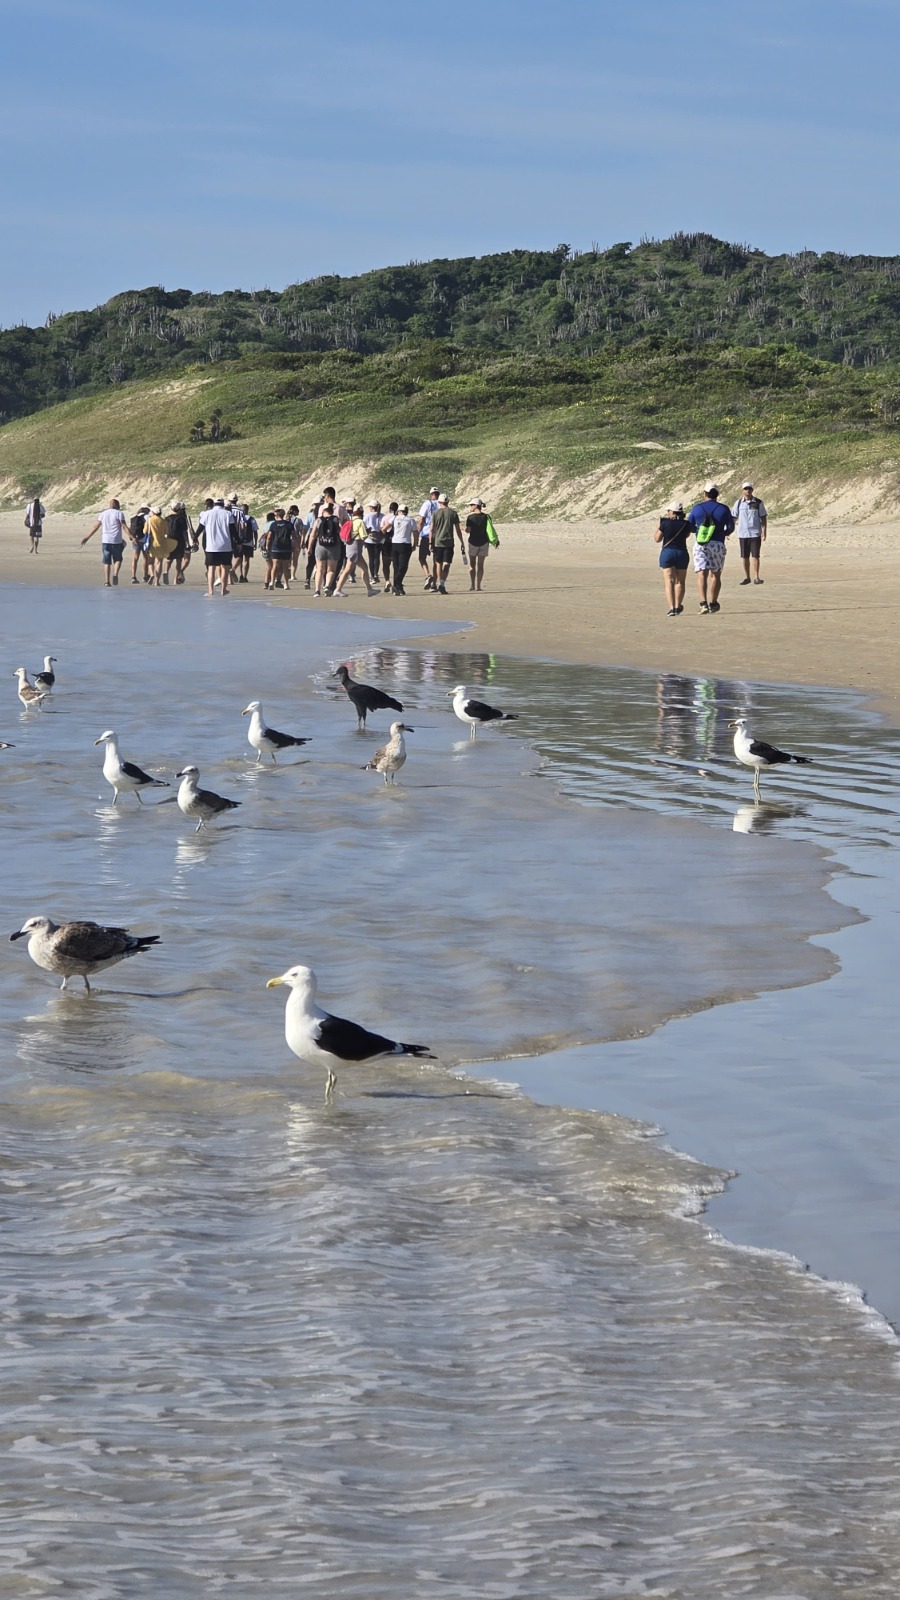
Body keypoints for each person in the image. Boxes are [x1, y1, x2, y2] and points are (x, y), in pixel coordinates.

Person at [687, 482, 735, 614]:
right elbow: (730, 527)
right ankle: (713, 603)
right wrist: (724, 534)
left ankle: (703, 603)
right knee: (716, 574)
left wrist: (699, 530)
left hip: (701, 543)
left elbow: (690, 526)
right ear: (717, 494)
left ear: (705, 494)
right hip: (718, 543)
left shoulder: (697, 508)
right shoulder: (724, 509)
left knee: (701, 573)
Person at [654, 501, 692, 615]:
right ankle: (677, 606)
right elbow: (686, 535)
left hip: (668, 552)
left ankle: (672, 608)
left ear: (672, 512)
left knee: (669, 581)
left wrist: (658, 528)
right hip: (681, 552)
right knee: (680, 581)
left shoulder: (665, 523)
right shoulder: (686, 524)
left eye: (668, 511)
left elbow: (657, 539)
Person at [81, 497, 128, 586]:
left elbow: (96, 527)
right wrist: (132, 537)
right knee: (118, 559)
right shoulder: (119, 513)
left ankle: (107, 581)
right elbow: (124, 526)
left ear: (109, 505)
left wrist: (87, 537)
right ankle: (115, 574)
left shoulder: (103, 514)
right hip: (117, 541)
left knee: (107, 562)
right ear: (118, 506)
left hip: (106, 541)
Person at [334, 505, 378, 597]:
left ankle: (369, 589)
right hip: (356, 547)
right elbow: (363, 536)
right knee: (348, 569)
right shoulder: (360, 522)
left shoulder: (351, 521)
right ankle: (337, 589)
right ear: (361, 512)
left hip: (349, 546)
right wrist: (369, 533)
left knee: (363, 568)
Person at [732, 481, 768, 585]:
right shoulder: (738, 503)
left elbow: (763, 517)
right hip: (743, 533)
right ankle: (747, 577)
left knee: (755, 555)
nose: (747, 491)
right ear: (743, 490)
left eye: (749, 489)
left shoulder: (758, 503)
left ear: (752, 490)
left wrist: (764, 532)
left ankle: (756, 577)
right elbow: (734, 517)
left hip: (755, 533)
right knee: (745, 556)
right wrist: (729, 531)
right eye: (745, 489)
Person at [429, 493, 465, 594]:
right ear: (448, 502)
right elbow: (458, 530)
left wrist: (430, 542)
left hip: (437, 542)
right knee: (447, 564)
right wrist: (462, 542)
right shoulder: (453, 513)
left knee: (438, 564)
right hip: (449, 542)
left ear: (439, 502)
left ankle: (440, 582)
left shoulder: (435, 513)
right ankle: (442, 583)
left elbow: (431, 529)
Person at [201, 495, 234, 595]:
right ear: (223, 504)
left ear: (214, 504)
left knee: (211, 568)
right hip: (225, 546)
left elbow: (200, 527)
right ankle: (223, 589)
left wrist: (194, 538)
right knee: (225, 567)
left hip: (211, 546)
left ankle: (211, 591)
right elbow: (233, 530)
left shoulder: (206, 514)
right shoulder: (228, 514)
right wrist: (238, 541)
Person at [311, 499, 343, 596]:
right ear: (332, 512)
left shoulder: (319, 520)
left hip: (320, 546)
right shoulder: (336, 519)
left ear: (324, 512)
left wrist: (309, 547)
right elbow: (341, 532)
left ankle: (317, 590)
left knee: (320, 569)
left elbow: (313, 535)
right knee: (331, 569)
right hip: (333, 546)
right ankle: (327, 586)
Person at [465, 498, 494, 592]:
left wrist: (463, 528)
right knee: (481, 565)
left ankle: (472, 585)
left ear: (475, 506)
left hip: (473, 542)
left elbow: (468, 530)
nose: (470, 507)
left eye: (471, 505)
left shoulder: (470, 517)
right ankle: (478, 585)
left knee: (472, 564)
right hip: (484, 542)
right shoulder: (486, 517)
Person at [388, 504, 416, 594]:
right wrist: (415, 544)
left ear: (398, 511)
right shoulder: (411, 520)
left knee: (396, 566)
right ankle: (398, 584)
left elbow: (385, 528)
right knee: (403, 566)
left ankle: (397, 587)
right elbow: (415, 533)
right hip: (405, 544)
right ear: (406, 511)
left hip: (395, 544)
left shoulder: (394, 518)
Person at [145, 505, 175, 585]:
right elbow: (166, 532)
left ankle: (151, 574)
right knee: (159, 562)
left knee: (150, 562)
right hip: (161, 543)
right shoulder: (164, 521)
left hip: (152, 543)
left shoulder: (149, 520)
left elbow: (145, 531)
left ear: (153, 513)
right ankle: (157, 581)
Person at [266, 509, 294, 590]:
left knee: (275, 565)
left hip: (276, 547)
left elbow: (269, 536)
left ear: (277, 516)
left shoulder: (274, 524)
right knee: (285, 566)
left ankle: (272, 582)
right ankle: (286, 584)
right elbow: (294, 535)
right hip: (286, 547)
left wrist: (267, 546)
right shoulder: (288, 524)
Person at [418, 487, 439, 588]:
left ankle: (428, 575)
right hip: (438, 535)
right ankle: (434, 583)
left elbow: (421, 519)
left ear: (431, 495)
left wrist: (417, 533)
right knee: (436, 560)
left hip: (426, 534)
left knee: (422, 558)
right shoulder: (441, 504)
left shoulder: (427, 504)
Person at [128, 505, 150, 584]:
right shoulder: (147, 517)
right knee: (145, 558)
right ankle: (145, 576)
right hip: (144, 540)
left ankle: (133, 576)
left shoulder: (134, 517)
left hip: (135, 539)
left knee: (135, 558)